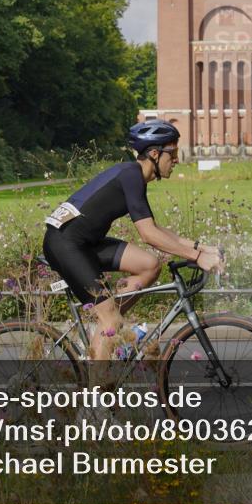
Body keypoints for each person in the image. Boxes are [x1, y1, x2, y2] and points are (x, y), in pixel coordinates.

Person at [42, 119, 223, 365]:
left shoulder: (132, 175)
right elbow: (148, 235)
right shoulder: (131, 176)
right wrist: (198, 258)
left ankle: (109, 329)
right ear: (156, 154)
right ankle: (95, 399)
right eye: (174, 153)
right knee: (111, 320)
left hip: (82, 242)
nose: (177, 160)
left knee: (149, 264)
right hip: (65, 244)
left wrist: (199, 248)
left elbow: (155, 228)